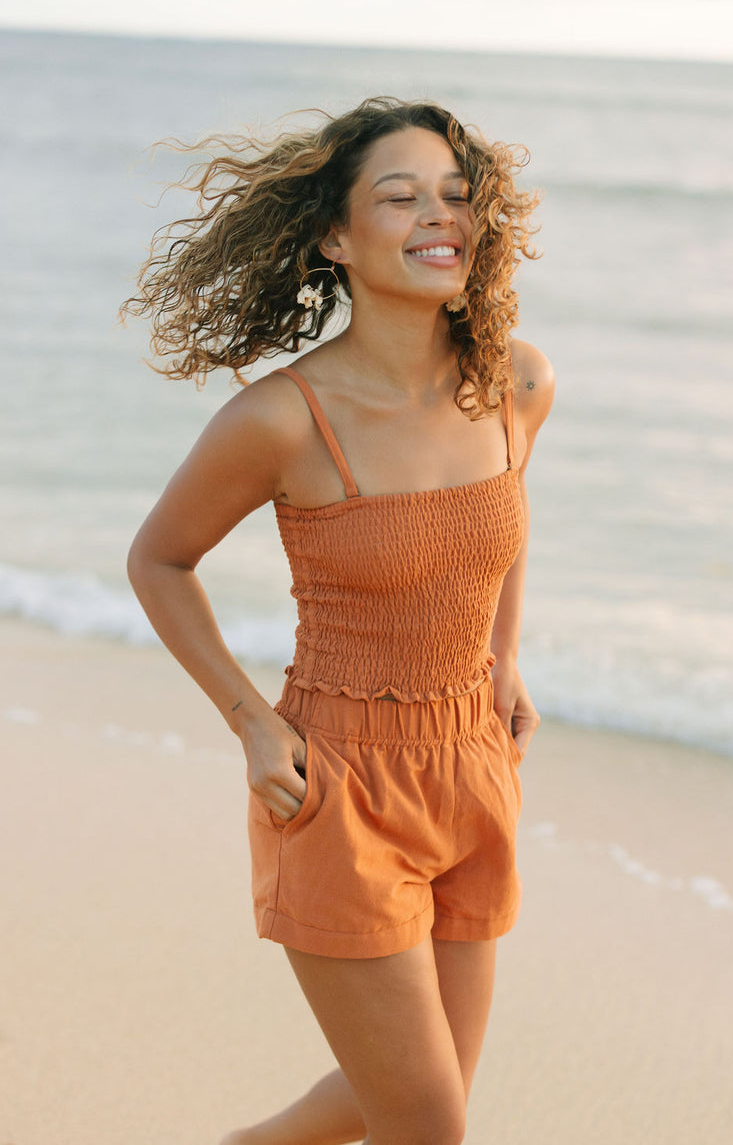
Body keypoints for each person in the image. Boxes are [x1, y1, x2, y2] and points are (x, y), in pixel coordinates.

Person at [123, 96, 554, 1145]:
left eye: (455, 195)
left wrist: (500, 658)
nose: (436, 215)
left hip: (470, 763)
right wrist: (250, 720)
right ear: (333, 237)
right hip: (338, 782)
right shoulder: (281, 418)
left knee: (404, 1093)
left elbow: (501, 516)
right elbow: (160, 559)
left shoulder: (515, 383)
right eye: (398, 196)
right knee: (427, 1121)